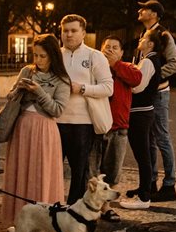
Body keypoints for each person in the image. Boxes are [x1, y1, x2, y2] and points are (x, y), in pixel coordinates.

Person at [0, 34, 68, 232]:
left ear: (53, 56)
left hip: (44, 131)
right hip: (22, 128)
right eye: (35, 55)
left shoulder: (61, 79)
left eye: (42, 56)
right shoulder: (27, 71)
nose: (37, 60)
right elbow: (10, 97)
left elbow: (57, 110)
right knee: (21, 176)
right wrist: (18, 90)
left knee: (42, 180)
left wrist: (39, 92)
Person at [58, 14, 114, 205]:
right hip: (56, 121)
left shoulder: (94, 56)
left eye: (73, 30)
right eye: (65, 31)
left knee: (79, 172)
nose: (69, 35)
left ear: (83, 33)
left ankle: (74, 209)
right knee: (52, 169)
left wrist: (82, 88)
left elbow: (108, 88)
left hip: (83, 123)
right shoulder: (55, 55)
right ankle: (52, 208)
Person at [137, 0, 176, 202]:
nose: (140, 11)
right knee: (149, 139)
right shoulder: (144, 33)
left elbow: (175, 63)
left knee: (162, 137)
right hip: (147, 93)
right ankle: (150, 182)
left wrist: (153, 76)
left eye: (144, 8)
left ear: (154, 14)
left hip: (159, 92)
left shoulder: (163, 35)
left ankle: (170, 184)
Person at [94, 36, 142, 221]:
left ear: (121, 52)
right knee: (92, 170)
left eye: (115, 47)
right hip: (95, 126)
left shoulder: (127, 67)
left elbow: (136, 79)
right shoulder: (95, 67)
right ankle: (90, 207)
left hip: (118, 128)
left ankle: (106, 207)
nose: (110, 50)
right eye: (107, 47)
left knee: (112, 171)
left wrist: (115, 64)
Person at [120, 29, 166, 210]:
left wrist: (126, 80)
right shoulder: (149, 60)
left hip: (140, 112)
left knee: (142, 155)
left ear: (151, 44)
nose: (140, 40)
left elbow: (138, 87)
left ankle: (144, 196)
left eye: (144, 38)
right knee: (144, 153)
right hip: (144, 111)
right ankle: (144, 188)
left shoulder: (148, 61)